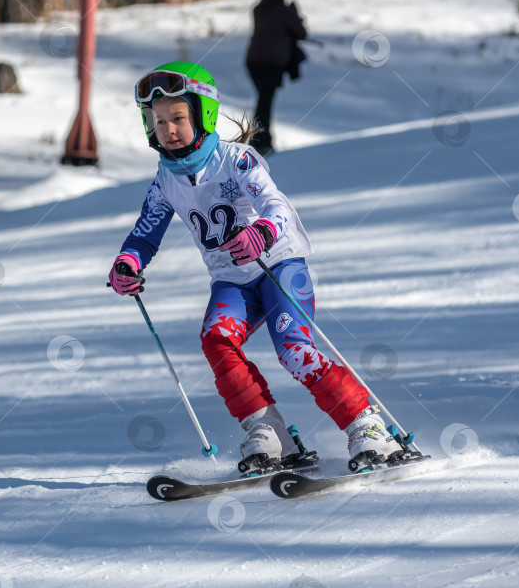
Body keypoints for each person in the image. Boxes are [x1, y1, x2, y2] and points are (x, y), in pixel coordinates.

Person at [109, 61, 402, 474]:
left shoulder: (237, 160)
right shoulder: (164, 180)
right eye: (159, 121)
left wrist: (262, 233)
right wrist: (128, 263)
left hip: (278, 265)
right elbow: (144, 234)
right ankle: (267, 430)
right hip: (231, 280)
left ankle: (367, 426)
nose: (168, 129)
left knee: (294, 349)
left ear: (203, 113)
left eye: (178, 117)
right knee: (216, 340)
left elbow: (275, 205)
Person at [245, 0, 307, 156]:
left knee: (263, 100)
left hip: (253, 60)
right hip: (272, 62)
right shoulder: (284, 10)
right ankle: (260, 141)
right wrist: (296, 15)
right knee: (265, 101)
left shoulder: (258, 9)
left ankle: (260, 139)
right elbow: (301, 32)